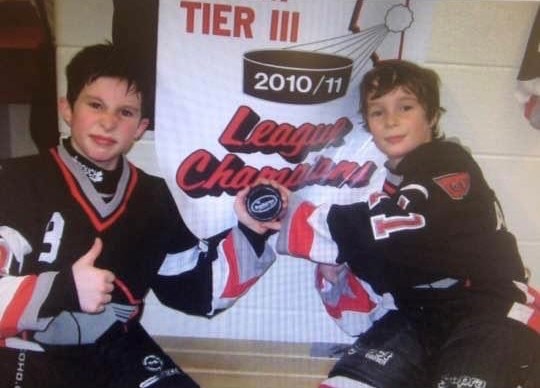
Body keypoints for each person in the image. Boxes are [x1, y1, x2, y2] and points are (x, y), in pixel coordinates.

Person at [0, 42, 284, 388]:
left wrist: (253, 230)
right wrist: (63, 288)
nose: (108, 122)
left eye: (125, 112)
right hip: (26, 349)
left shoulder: (153, 195)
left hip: (118, 348)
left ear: (140, 127)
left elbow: (195, 292)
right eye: (95, 105)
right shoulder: (12, 180)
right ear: (67, 109)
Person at [276, 59, 540, 387]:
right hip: (418, 316)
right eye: (377, 112)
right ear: (368, 126)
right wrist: (338, 270)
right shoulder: (390, 191)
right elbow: (383, 267)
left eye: (405, 107)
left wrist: (293, 218)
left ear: (431, 116)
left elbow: (401, 224)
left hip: (488, 307)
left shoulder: (450, 163)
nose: (391, 121)